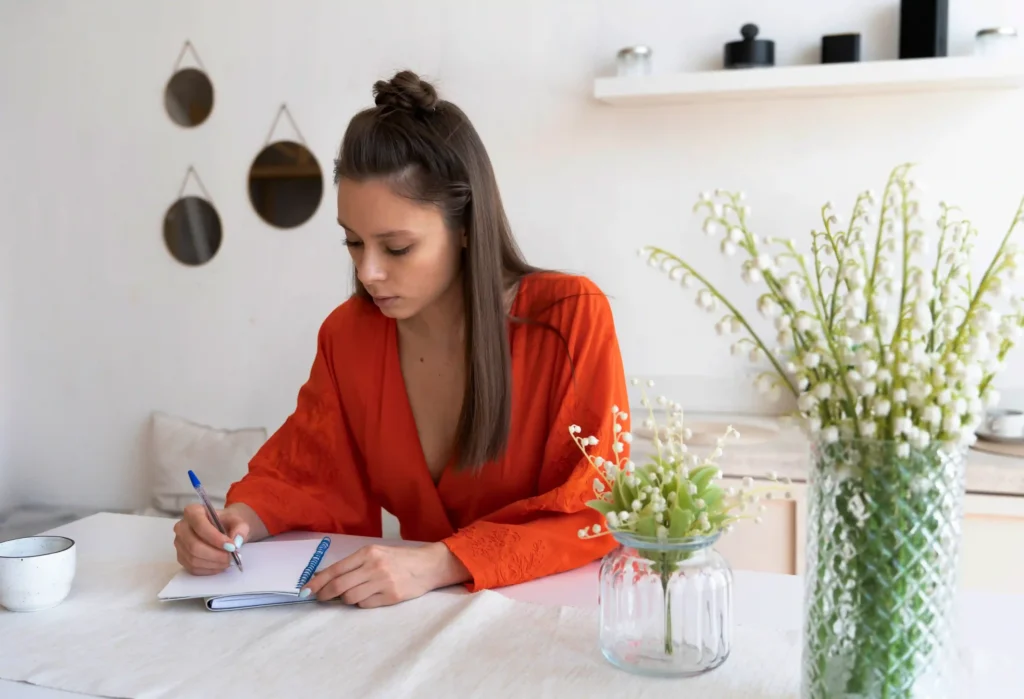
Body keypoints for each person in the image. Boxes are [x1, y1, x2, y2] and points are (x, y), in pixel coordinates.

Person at [172, 70, 630, 608]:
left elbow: (594, 509)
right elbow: (306, 473)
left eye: (396, 248)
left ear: (464, 227)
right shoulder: (349, 335)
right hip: (412, 618)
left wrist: (441, 562)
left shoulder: (569, 318)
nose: (368, 272)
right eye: (352, 241)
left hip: (550, 617)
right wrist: (233, 526)